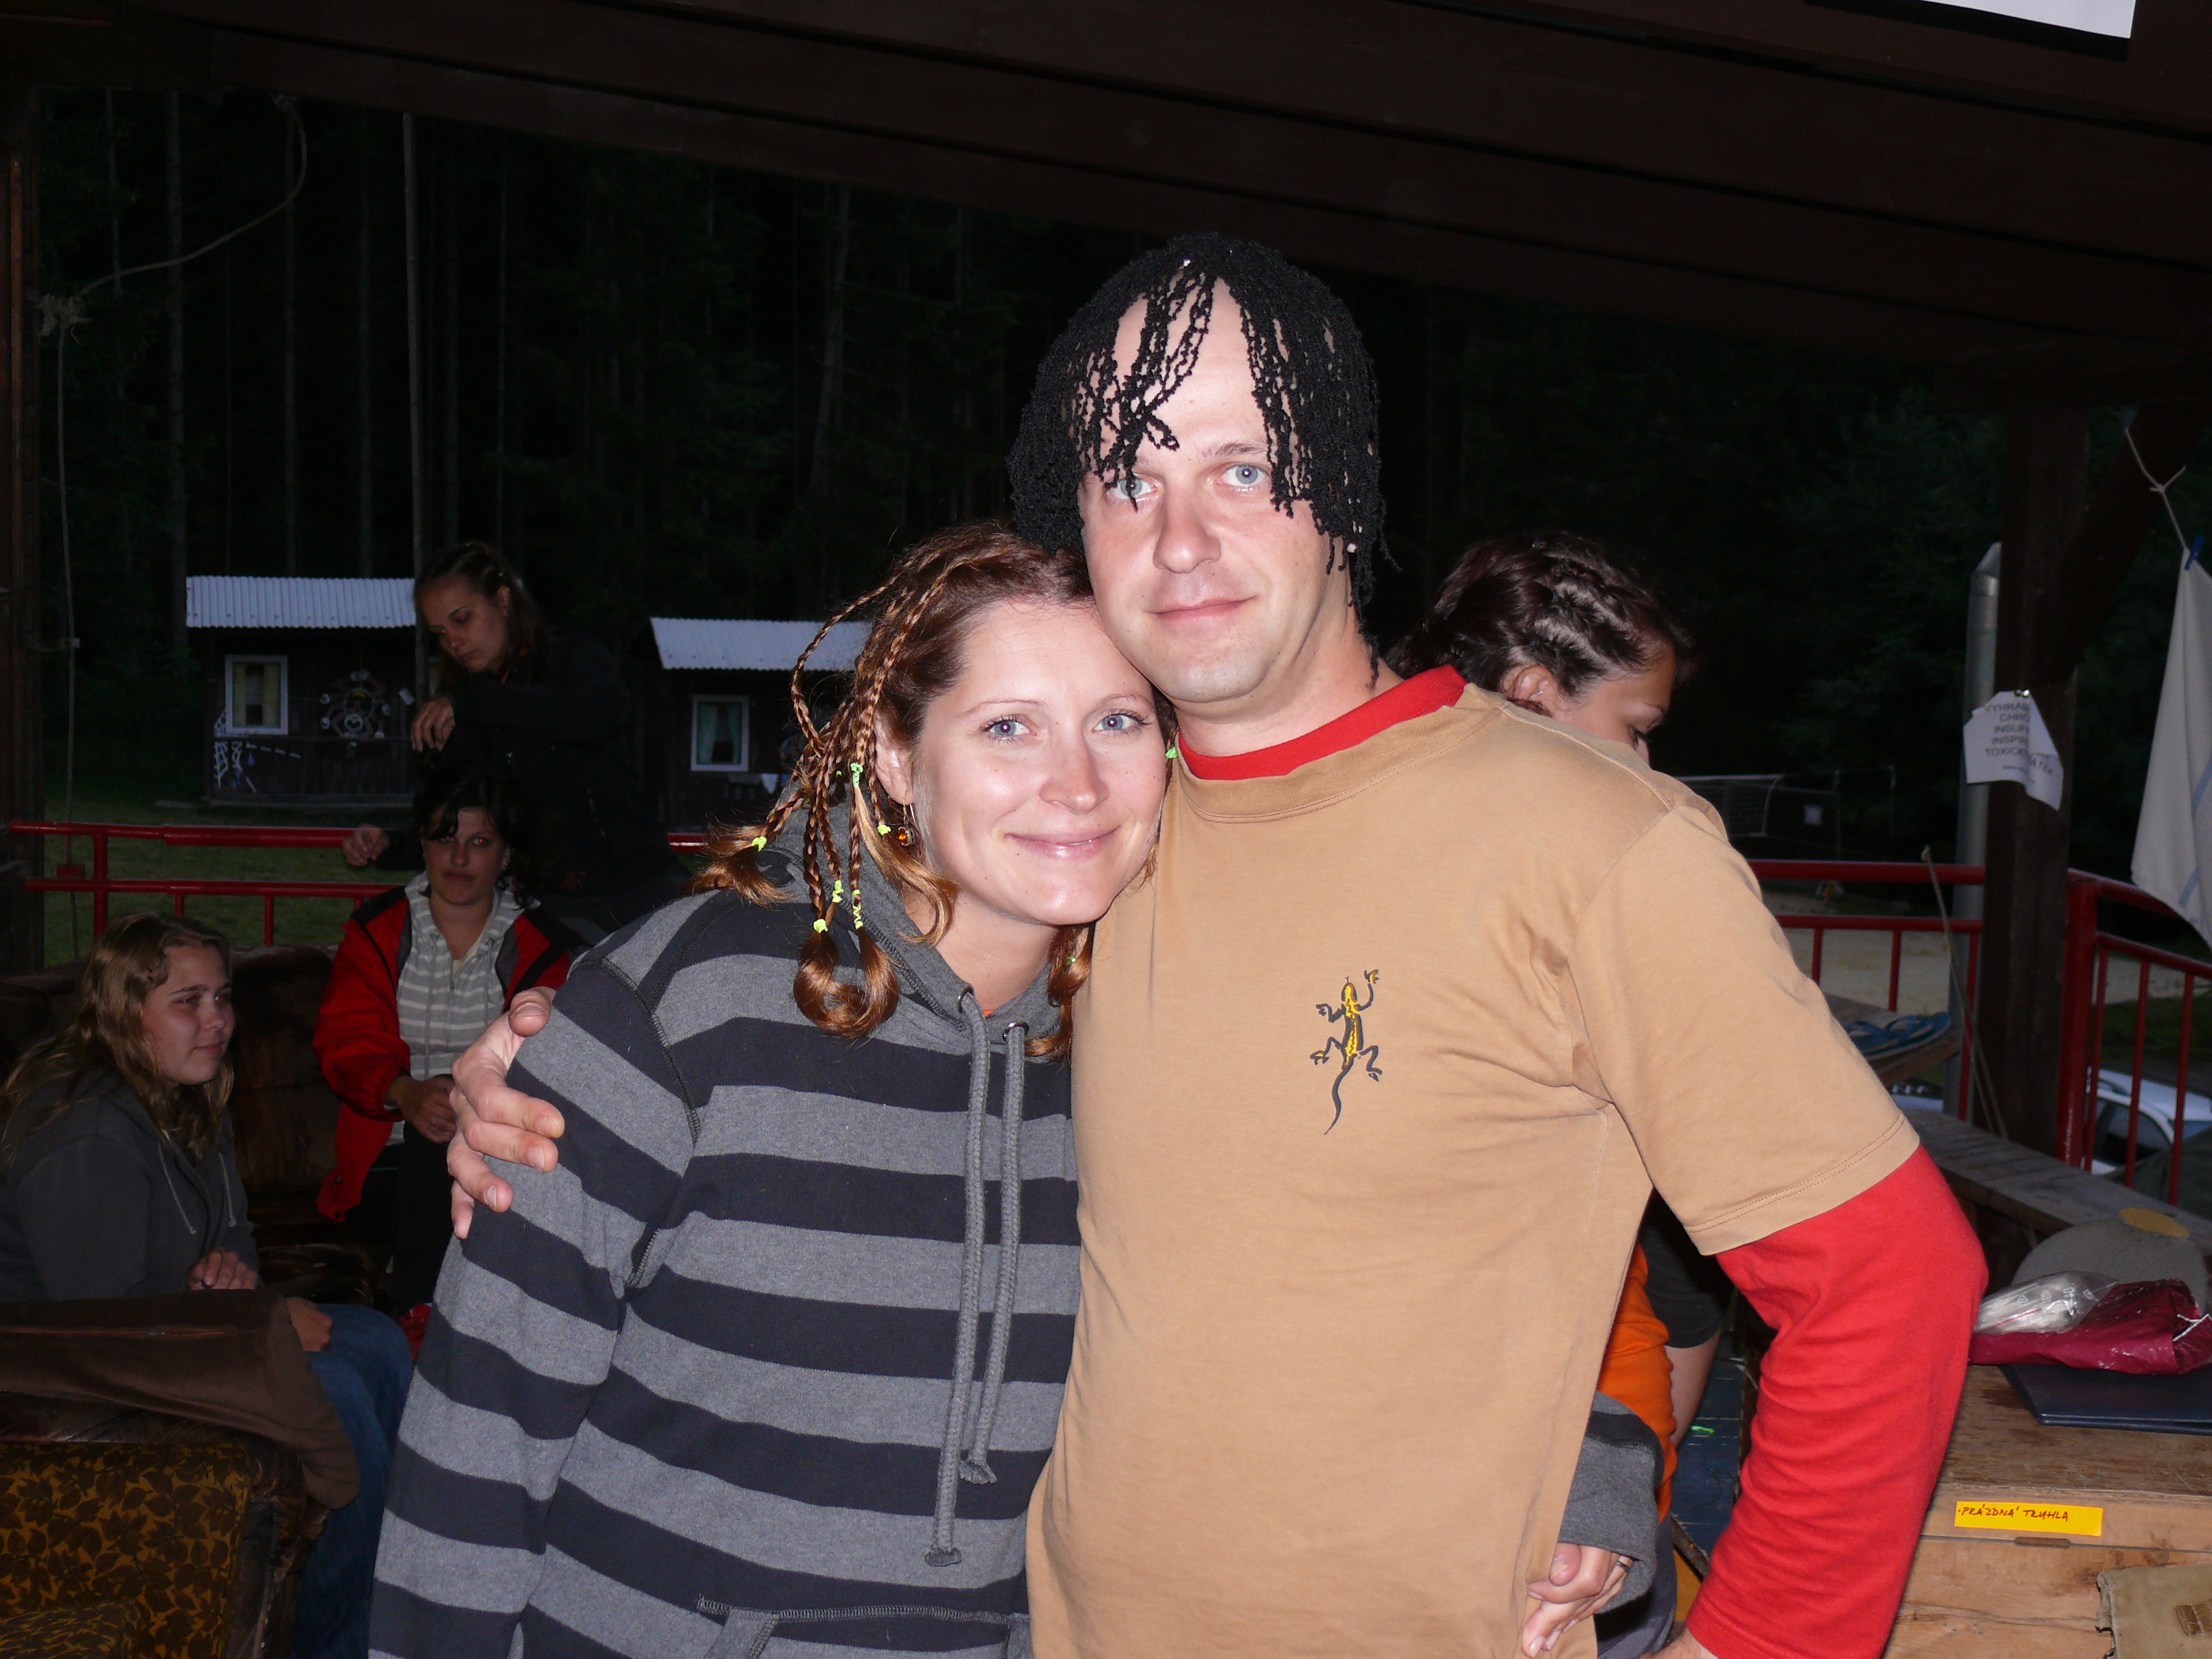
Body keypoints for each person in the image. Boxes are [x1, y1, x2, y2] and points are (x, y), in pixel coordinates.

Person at [450, 233, 1985, 1659]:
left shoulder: (1595, 844)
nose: (1182, 537)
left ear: (1346, 496)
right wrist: (561, 1053)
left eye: (1246, 467)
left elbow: (1889, 1284)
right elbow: (859, 922)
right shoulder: (1107, 836)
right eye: (1130, 476)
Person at [373, 525, 1655, 1659]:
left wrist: (1579, 1465)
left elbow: (1381, 1288)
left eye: (1118, 722)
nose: (1076, 785)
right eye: (1006, 727)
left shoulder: (1173, 1032)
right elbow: (483, 1430)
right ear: (893, 754)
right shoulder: (687, 1005)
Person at [1392, 529, 1736, 1657]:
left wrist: (1625, 1479)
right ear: (1534, 695)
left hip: (1565, 1471)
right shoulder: (1588, 890)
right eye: (1635, 729)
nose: (1649, 769)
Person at [0, 913, 411, 1659]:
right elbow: (97, 1324)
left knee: (380, 1340)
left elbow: (235, 1239)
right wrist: (257, 1325)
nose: (217, 1020)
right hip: (66, 1365)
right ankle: (334, 1643)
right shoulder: (85, 1130)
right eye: (188, 1002)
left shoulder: (192, 1094)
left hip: (175, 1326)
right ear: (125, 1012)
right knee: (339, 1394)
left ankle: (385, 1603)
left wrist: (231, 1277)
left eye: (222, 997)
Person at [314, 763, 576, 1338]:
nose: (459, 858)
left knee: (464, 1142)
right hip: (385, 1157)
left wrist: (471, 1108)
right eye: (444, 839)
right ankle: (423, 1314)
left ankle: (435, 1318)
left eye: (480, 843)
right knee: (433, 1146)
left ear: (506, 855)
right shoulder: (376, 931)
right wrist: (402, 1092)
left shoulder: (543, 946)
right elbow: (345, 1040)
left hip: (494, 1148)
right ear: (423, 844)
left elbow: (556, 1062)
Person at [340, 543, 685, 942]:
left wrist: (478, 704)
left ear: (503, 601)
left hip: (649, 886)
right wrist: (389, 844)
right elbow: (461, 820)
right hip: (561, 910)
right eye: (441, 634)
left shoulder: (570, 657)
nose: (454, 642)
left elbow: (604, 710)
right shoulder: (469, 717)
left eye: (462, 619)